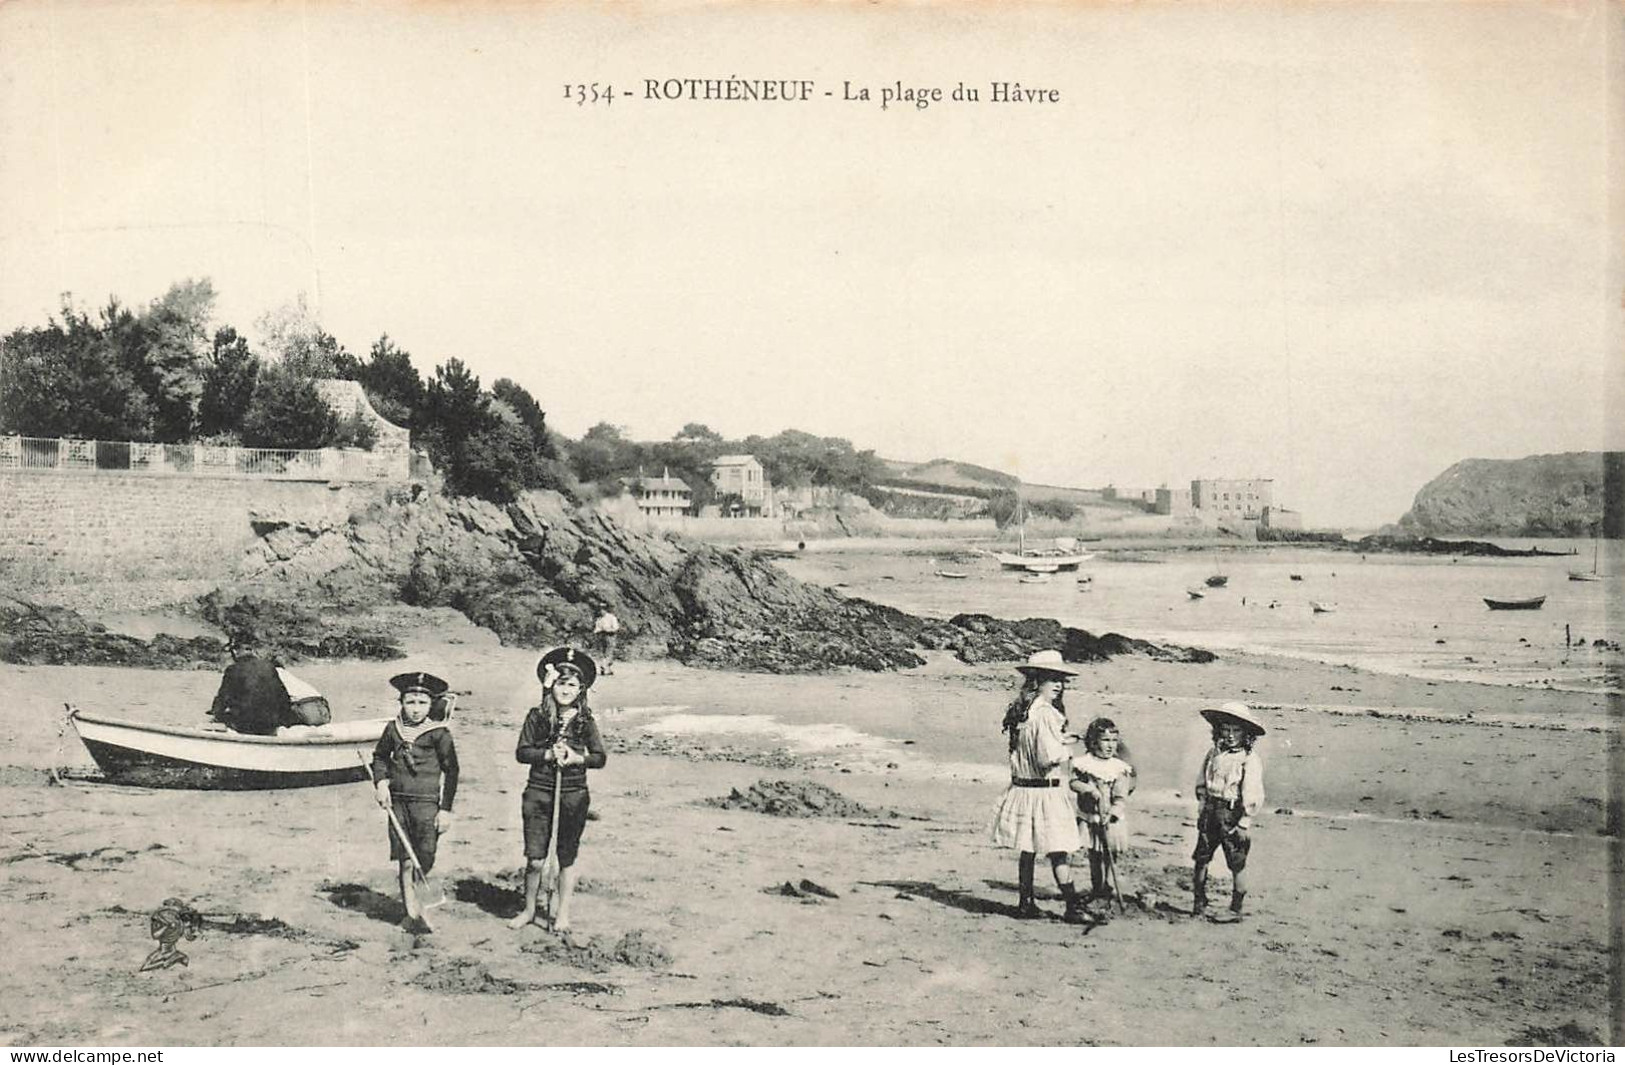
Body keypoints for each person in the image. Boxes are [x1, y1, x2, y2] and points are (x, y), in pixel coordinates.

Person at [509, 647, 607, 933]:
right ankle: (529, 910)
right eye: (561, 683)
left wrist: (578, 758)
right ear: (551, 684)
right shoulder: (537, 717)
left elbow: (600, 757)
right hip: (539, 791)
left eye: (572, 685)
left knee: (566, 857)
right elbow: (522, 752)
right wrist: (548, 755)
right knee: (536, 859)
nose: (565, 690)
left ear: (581, 689)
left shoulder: (585, 721)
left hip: (573, 793)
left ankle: (562, 913)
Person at [989, 650, 1088, 924]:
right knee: (1059, 848)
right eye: (1052, 679)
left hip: (1023, 788)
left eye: (1062, 680)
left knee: (1028, 848)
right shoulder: (1046, 714)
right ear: (1037, 680)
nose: (1059, 685)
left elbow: (1027, 749)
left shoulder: (1023, 710)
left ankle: (1025, 903)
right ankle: (1072, 906)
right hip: (1045, 791)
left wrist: (1060, 739)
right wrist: (1067, 746)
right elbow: (1047, 758)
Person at [370, 671, 459, 934]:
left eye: (422, 703)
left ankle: (422, 903)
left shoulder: (439, 733)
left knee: (425, 856)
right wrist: (381, 783)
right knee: (405, 859)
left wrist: (445, 810)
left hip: (427, 804)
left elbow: (452, 771)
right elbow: (379, 757)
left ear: (431, 705)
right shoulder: (393, 729)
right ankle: (411, 913)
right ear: (401, 702)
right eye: (410, 702)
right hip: (398, 803)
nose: (416, 709)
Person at [1191, 701, 1267, 923]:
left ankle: (1236, 908)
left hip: (1232, 813)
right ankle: (1199, 900)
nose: (1230, 735)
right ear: (1218, 731)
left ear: (1246, 734)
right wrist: (1202, 804)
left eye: (1236, 731)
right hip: (1210, 810)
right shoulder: (1213, 753)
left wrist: (1245, 821)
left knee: (1236, 860)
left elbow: (1252, 792)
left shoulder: (1248, 759)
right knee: (1201, 856)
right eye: (1226, 729)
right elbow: (1202, 781)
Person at [1070, 716, 1135, 907]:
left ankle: (1108, 887)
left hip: (1111, 820)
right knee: (1094, 855)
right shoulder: (1084, 764)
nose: (1110, 746)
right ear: (1092, 742)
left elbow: (1121, 797)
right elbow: (1073, 783)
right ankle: (1096, 887)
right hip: (1090, 817)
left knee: (1109, 854)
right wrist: (1088, 789)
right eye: (1105, 740)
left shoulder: (1119, 768)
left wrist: (1113, 812)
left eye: (1114, 741)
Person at [207, 638, 295, 735]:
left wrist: (215, 715)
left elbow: (223, 698)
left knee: (227, 715)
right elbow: (283, 696)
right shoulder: (269, 666)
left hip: (247, 723)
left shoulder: (233, 669)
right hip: (272, 722)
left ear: (236, 652)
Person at [592, 606, 620, 675]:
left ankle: (606, 668)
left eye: (602, 610)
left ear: (605, 610)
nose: (601, 611)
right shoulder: (599, 619)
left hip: (610, 636)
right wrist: (598, 632)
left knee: (609, 652)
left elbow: (616, 628)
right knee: (602, 653)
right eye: (600, 610)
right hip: (601, 636)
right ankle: (604, 668)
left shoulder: (611, 617)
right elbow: (596, 628)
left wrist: (608, 630)